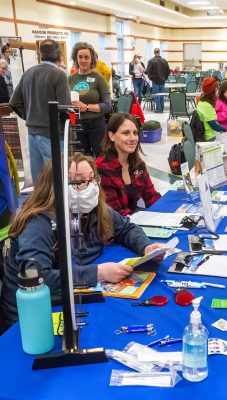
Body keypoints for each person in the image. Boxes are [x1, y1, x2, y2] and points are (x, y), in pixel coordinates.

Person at [0, 154, 166, 329]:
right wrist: (97, 273)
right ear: (56, 186)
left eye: (92, 179)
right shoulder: (38, 224)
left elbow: (125, 228)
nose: (90, 187)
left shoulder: (93, 209)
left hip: (73, 295)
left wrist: (146, 247)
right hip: (31, 317)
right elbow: (39, 278)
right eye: (79, 181)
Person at [10, 39, 71, 183]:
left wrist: (30, 116)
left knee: (39, 180)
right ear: (60, 56)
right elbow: (64, 108)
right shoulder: (59, 75)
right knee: (55, 180)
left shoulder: (28, 73)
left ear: (40, 55)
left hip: (32, 133)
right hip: (52, 133)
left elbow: (14, 102)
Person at [96, 113, 160, 215]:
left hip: (134, 217)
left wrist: (168, 211)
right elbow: (116, 213)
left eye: (135, 133)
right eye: (126, 133)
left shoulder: (138, 164)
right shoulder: (102, 168)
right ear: (112, 136)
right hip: (116, 222)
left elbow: (151, 196)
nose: (133, 138)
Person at [68, 42, 111, 157]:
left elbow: (107, 106)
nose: (83, 60)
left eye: (86, 57)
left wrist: (86, 107)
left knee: (102, 159)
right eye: (80, 57)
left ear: (92, 59)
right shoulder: (70, 79)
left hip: (97, 125)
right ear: (76, 58)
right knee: (81, 160)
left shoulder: (99, 79)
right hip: (77, 125)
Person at [196, 77, 226, 141]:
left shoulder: (201, 102)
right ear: (213, 92)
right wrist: (226, 129)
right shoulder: (206, 106)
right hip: (210, 138)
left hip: (209, 135)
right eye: (216, 90)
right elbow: (215, 126)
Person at [146, 48, 170, 113]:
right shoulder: (164, 61)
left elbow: (148, 71)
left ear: (154, 53)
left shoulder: (151, 61)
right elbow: (168, 71)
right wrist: (165, 78)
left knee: (157, 95)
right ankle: (162, 108)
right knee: (162, 95)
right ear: (159, 52)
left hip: (155, 81)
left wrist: (151, 78)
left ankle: (158, 109)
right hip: (162, 81)